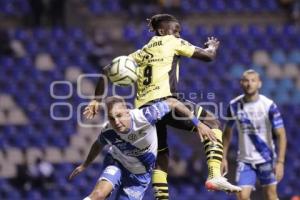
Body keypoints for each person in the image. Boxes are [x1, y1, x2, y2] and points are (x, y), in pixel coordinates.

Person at [84, 14, 241, 199]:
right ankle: (215, 176)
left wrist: (95, 100)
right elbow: (208, 56)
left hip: (144, 110)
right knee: (212, 122)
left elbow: (105, 71)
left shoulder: (140, 53)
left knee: (161, 152)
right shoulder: (171, 42)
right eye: (176, 31)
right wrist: (212, 46)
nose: (178, 34)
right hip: (166, 102)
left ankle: (161, 198)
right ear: (162, 31)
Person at [69, 96, 216, 200]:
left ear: (127, 110)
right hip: (117, 163)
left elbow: (172, 102)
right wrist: (85, 165)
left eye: (119, 115)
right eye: (112, 118)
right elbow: (98, 143)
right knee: (99, 195)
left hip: (139, 177)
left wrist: (198, 123)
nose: (117, 122)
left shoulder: (145, 116)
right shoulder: (108, 130)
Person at [222, 70, 287, 200]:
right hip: (245, 160)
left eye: (253, 80)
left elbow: (281, 135)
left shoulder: (269, 105)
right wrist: (223, 157)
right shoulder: (234, 105)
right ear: (241, 83)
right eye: (246, 80)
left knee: (271, 195)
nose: (249, 84)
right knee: (241, 196)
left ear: (259, 84)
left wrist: (280, 162)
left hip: (266, 159)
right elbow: (227, 134)